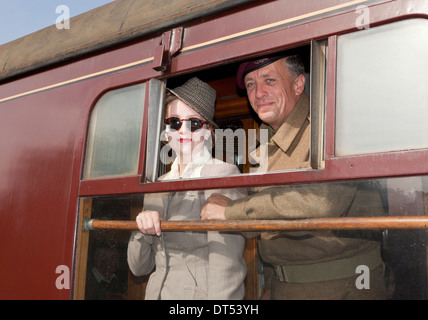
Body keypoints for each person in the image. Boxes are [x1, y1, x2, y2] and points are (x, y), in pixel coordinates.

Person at [201, 55, 387, 299]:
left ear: (299, 85)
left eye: (269, 80)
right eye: (251, 84)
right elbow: (272, 228)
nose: (258, 94)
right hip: (285, 284)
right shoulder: (267, 141)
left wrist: (231, 211)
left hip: (339, 284)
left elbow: (320, 202)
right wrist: (273, 281)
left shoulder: (330, 126)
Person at [127, 77, 247, 300]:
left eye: (193, 123)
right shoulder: (157, 184)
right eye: (174, 122)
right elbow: (139, 267)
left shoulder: (222, 174)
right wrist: (141, 229)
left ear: (208, 131)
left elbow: (226, 266)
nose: (182, 130)